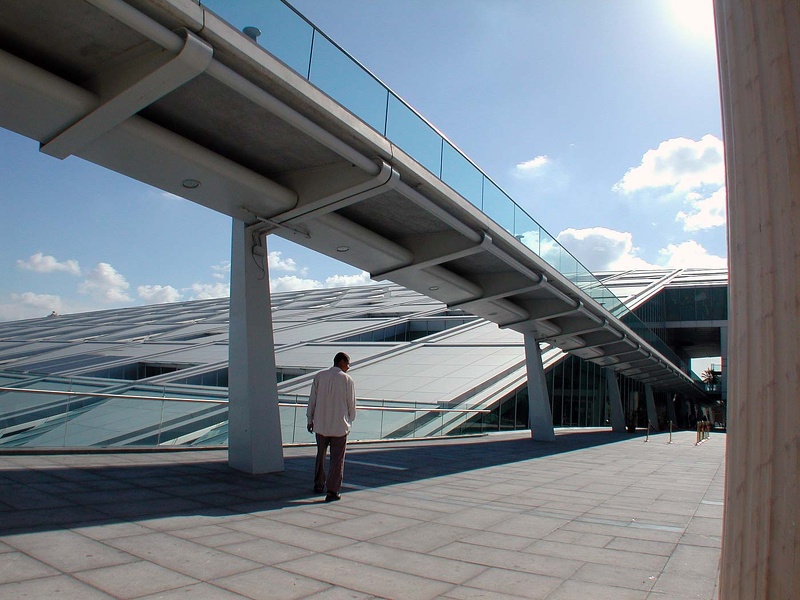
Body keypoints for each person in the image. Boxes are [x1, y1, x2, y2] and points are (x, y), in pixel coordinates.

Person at [306, 352, 356, 502]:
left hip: (320, 424)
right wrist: (350, 420)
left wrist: (310, 419)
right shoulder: (347, 379)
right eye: (348, 364)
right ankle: (332, 491)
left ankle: (319, 483)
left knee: (320, 456)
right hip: (339, 426)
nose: (348, 367)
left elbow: (312, 399)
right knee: (337, 459)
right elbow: (351, 404)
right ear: (341, 362)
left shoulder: (320, 376)